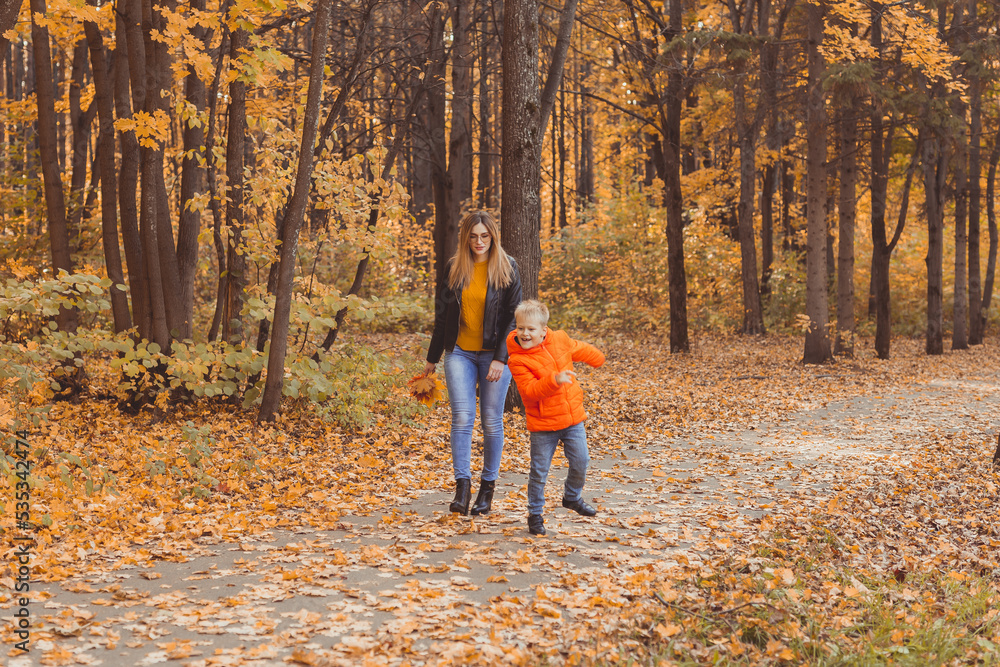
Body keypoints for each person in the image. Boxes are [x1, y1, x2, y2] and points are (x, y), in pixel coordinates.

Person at [424, 211, 521, 516]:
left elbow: (513, 319)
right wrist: (431, 359)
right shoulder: (455, 268)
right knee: (462, 417)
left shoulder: (508, 268)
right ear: (465, 237)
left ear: (493, 237)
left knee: (491, 421)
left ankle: (487, 488)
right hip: (460, 353)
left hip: (494, 355)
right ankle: (461, 488)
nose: (479, 242)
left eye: (485, 236)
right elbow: (442, 317)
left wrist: (500, 358)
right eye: (473, 236)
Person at [505, 300, 605, 536]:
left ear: (543, 330)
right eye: (520, 328)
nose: (524, 334)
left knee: (581, 462)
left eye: (530, 329)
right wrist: (554, 380)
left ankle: (571, 497)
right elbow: (529, 391)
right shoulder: (517, 360)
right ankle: (535, 514)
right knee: (539, 472)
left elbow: (577, 347)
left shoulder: (559, 339)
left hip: (572, 420)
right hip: (543, 425)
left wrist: (597, 358)